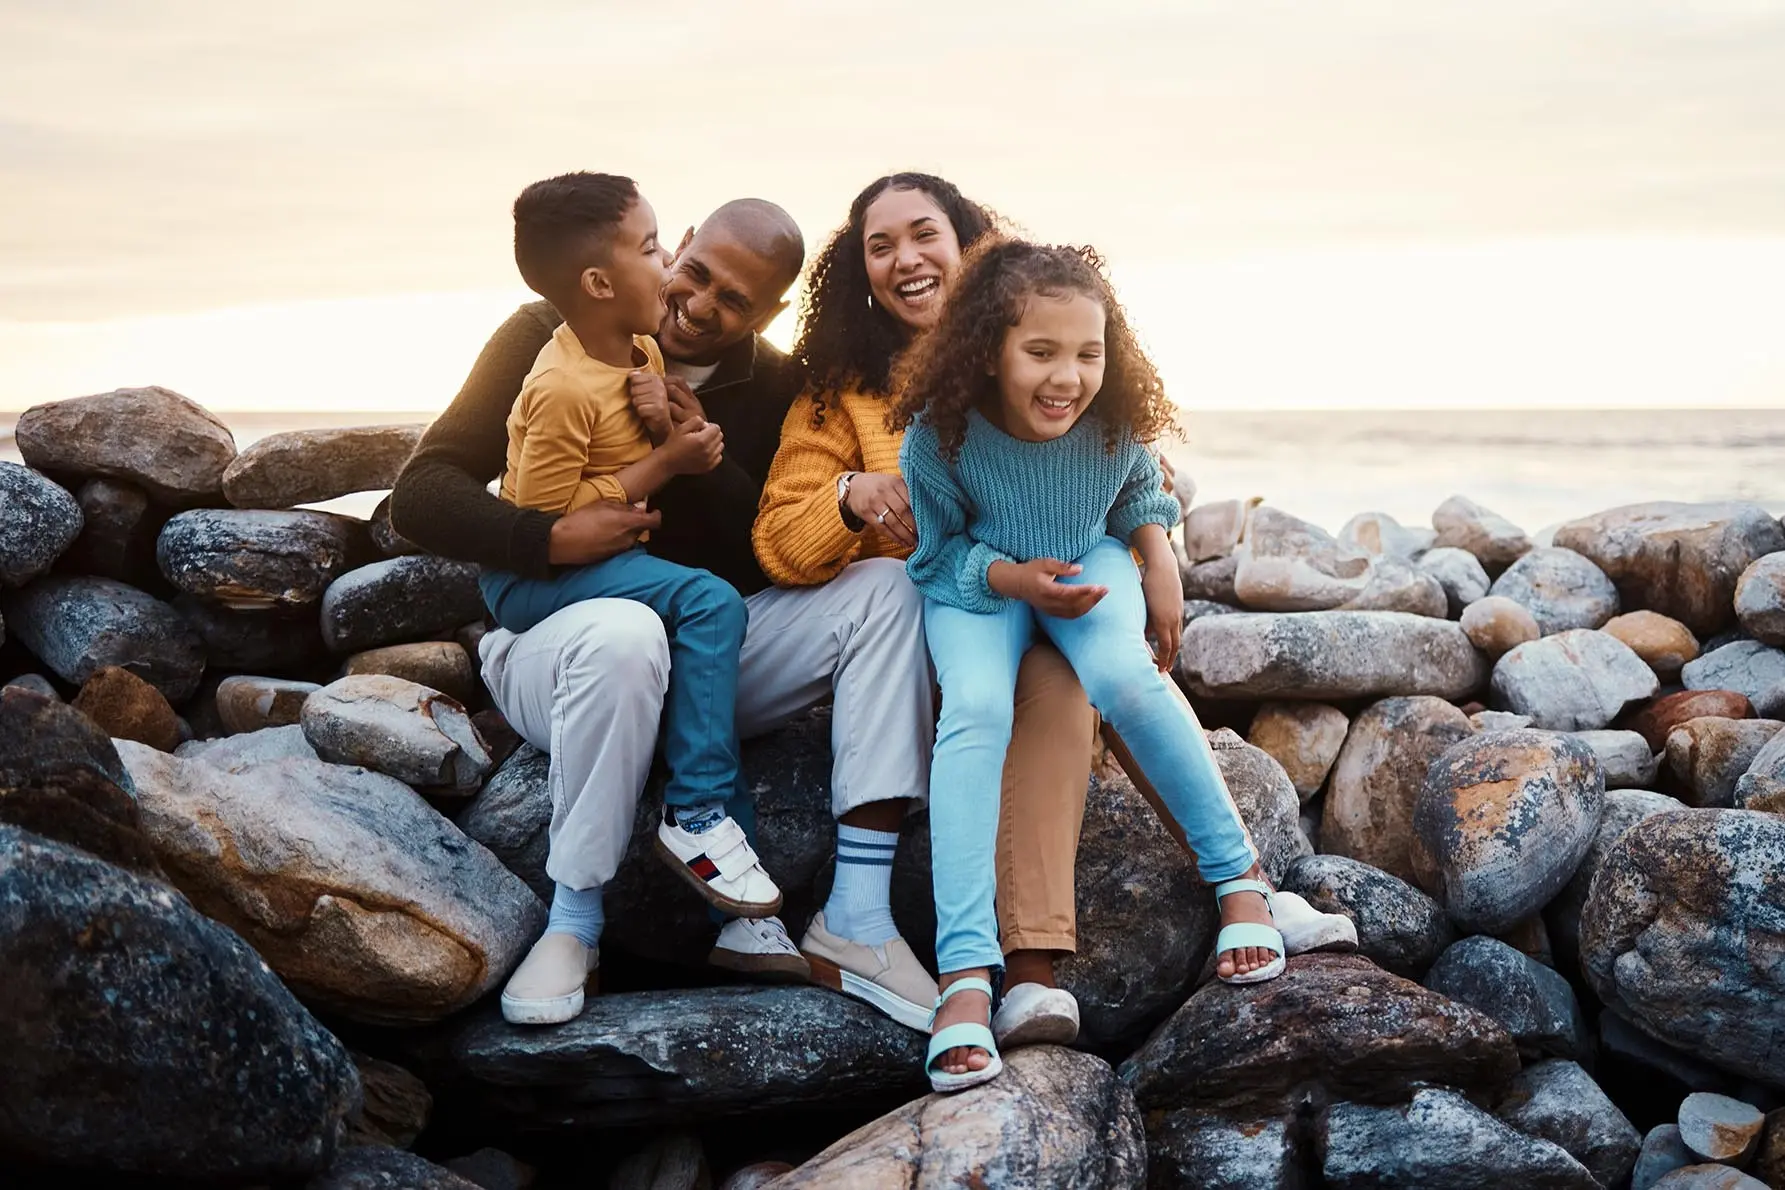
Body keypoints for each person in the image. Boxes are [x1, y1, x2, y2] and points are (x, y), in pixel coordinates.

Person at [389, 194, 940, 1029]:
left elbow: (768, 542)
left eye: (734, 303)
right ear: (675, 246)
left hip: (712, 656)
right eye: (695, 274)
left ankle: (856, 916)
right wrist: (551, 537)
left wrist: (696, 449)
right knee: (626, 630)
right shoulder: (552, 328)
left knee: (888, 593)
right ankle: (574, 927)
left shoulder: (778, 384)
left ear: (770, 314)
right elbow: (422, 492)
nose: (700, 306)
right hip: (562, 650)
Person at [893, 239, 1290, 1093]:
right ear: (987, 351)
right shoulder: (938, 437)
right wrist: (1012, 580)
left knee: (1121, 675)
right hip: (981, 580)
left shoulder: (1110, 420)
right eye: (1040, 352)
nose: (1066, 377)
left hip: (1087, 560)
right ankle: (964, 976)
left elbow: (1139, 495)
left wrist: (1160, 560)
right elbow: (934, 558)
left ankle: (1239, 882)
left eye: (1086, 353)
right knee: (974, 711)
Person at [754, 173, 1093, 1048]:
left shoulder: (1036, 358)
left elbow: (1118, 473)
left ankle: (1033, 972)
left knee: (1060, 677)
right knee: (1014, 672)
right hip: (918, 648)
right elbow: (779, 543)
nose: (904, 258)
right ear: (861, 273)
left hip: (1026, 623)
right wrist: (849, 493)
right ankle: (974, 970)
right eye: (879, 245)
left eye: (923, 233)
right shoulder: (842, 393)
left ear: (971, 245)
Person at [477, 175, 780, 1024]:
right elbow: (544, 521)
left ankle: (732, 875)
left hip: (611, 591)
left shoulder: (638, 352)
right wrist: (665, 463)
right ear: (605, 281)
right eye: (664, 254)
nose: (686, 290)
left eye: (737, 297)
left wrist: (667, 424)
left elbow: (763, 533)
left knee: (683, 615)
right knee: (693, 611)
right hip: (537, 591)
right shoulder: (558, 376)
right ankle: (668, 841)